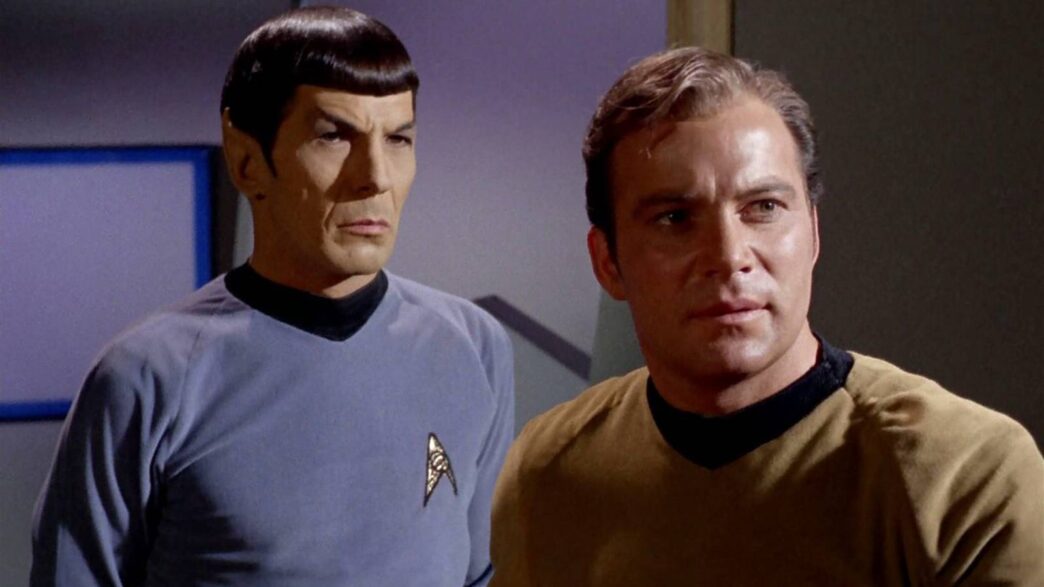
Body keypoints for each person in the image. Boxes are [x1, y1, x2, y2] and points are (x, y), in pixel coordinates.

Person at [490, 47, 1043, 585]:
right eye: (675, 218)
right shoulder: (549, 469)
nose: (729, 256)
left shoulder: (964, 477)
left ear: (813, 234)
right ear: (608, 261)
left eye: (764, 208)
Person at [32, 7, 513, 586]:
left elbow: (482, 573)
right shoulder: (148, 376)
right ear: (246, 160)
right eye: (334, 136)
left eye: (399, 138)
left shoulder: (473, 345)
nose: (377, 176)